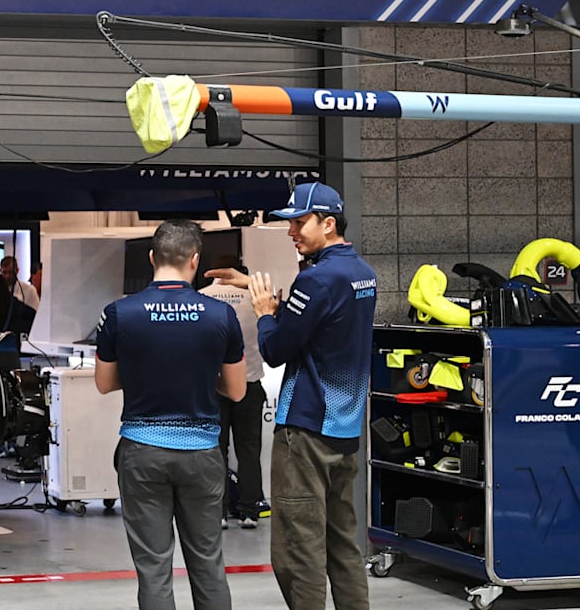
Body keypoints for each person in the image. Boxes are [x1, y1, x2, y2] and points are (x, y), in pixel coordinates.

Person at [206, 182, 377, 610]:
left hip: (304, 433)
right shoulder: (362, 274)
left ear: (329, 223)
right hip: (344, 429)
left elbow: (277, 348)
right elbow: (321, 320)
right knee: (343, 544)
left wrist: (264, 314)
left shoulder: (315, 279)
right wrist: (251, 285)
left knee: (297, 552)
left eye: (300, 223)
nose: (291, 233)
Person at [94, 219, 246, 610]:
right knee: (208, 563)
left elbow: (104, 382)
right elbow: (236, 390)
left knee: (154, 568)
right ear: (195, 260)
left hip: (142, 452)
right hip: (203, 454)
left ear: (151, 258)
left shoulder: (119, 313)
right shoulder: (221, 315)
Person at [201, 263, 268, 529]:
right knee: (250, 450)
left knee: (217, 450)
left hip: (214, 386)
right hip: (250, 381)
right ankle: (250, 510)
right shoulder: (256, 297)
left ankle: (219, 511)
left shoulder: (202, 296)